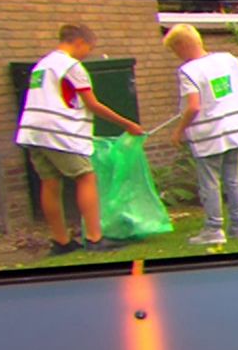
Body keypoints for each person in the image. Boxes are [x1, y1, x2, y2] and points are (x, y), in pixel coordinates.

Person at [13, 23, 145, 254]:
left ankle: (61, 241)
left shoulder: (41, 65)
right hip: (59, 131)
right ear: (80, 42)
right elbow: (92, 104)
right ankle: (95, 239)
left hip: (33, 131)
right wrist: (128, 124)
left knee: (50, 182)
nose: (87, 54)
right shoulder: (72, 66)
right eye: (89, 49)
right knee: (85, 176)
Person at [162, 24, 238, 246]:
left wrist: (179, 131)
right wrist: (237, 73)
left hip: (209, 134)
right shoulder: (226, 59)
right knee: (232, 177)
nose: (176, 55)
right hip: (235, 130)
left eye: (174, 50)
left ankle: (214, 229)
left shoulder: (188, 71)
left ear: (181, 46)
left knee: (209, 181)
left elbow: (193, 107)